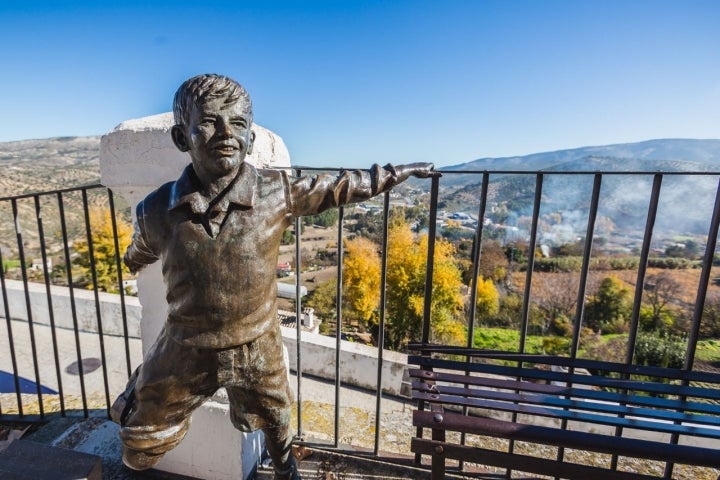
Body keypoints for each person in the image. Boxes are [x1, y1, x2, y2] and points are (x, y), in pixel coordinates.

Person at [110, 73, 437, 480]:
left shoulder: (275, 191)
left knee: (278, 421)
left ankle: (287, 472)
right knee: (140, 442)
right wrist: (130, 259)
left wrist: (396, 172)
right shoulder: (156, 209)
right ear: (182, 137)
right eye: (209, 122)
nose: (226, 133)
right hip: (185, 345)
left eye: (239, 124)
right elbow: (142, 248)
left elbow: (341, 187)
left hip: (257, 342)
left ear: (249, 139)